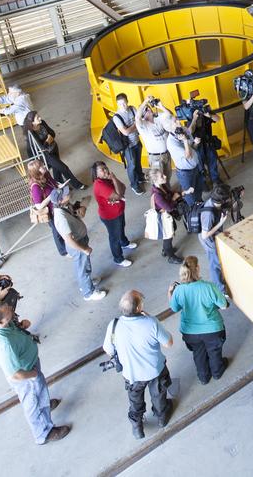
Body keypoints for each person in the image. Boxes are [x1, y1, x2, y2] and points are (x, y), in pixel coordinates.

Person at [0, 301, 71, 445]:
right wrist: (34, 375)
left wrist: (20, 326)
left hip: (28, 364)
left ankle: (44, 405)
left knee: (38, 395)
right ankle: (43, 433)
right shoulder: (4, 345)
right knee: (33, 401)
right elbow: (15, 374)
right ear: (0, 322)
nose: (11, 309)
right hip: (26, 374)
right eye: (8, 312)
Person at [103, 290, 174, 439]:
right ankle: (161, 418)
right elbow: (169, 343)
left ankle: (137, 427)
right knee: (159, 395)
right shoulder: (151, 323)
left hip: (132, 375)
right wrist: (152, 319)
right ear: (138, 309)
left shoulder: (114, 325)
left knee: (135, 401)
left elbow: (108, 350)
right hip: (155, 371)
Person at [167, 256, 229, 385]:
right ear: (198, 268)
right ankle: (217, 372)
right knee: (214, 352)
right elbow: (223, 305)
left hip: (190, 332)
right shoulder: (209, 287)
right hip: (212, 330)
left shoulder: (178, 290)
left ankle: (204, 377)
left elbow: (174, 308)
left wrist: (170, 293)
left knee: (198, 353)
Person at [52, 186, 107, 302]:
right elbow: (69, 240)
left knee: (83, 266)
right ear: (60, 200)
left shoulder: (64, 206)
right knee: (82, 268)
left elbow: (87, 198)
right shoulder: (60, 217)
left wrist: (80, 209)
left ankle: (87, 283)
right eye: (65, 194)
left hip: (81, 240)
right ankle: (89, 293)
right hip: (77, 245)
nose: (69, 194)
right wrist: (83, 249)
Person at [23, 110, 85, 191]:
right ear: (32, 122)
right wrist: (48, 140)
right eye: (37, 118)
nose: (40, 118)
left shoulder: (42, 123)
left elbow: (52, 133)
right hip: (47, 155)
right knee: (63, 168)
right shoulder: (31, 133)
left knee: (57, 170)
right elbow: (42, 147)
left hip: (54, 148)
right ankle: (77, 185)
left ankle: (60, 186)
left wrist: (48, 140)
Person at [92, 161, 136, 268]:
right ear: (96, 174)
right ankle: (118, 258)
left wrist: (114, 179)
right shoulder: (100, 185)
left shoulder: (108, 179)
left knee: (121, 228)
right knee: (114, 237)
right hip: (110, 216)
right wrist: (114, 180)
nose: (105, 170)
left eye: (105, 167)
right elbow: (118, 196)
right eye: (102, 170)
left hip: (118, 211)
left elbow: (123, 188)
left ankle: (124, 242)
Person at [178, 93, 222, 191]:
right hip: (197, 145)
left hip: (208, 142)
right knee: (200, 164)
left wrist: (209, 114)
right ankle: (204, 181)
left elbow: (218, 119)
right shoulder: (190, 118)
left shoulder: (205, 111)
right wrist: (194, 119)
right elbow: (190, 131)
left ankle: (215, 180)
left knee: (212, 161)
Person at [27, 160, 69, 258]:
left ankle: (69, 241)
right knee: (56, 230)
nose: (44, 167)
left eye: (42, 165)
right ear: (36, 172)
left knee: (62, 225)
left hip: (57, 205)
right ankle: (63, 251)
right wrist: (51, 195)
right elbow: (39, 206)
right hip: (50, 211)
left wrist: (60, 186)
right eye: (41, 167)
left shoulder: (46, 174)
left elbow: (53, 183)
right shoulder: (35, 186)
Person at [149, 168, 185, 265]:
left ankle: (166, 250)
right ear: (155, 180)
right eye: (162, 176)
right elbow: (169, 207)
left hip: (167, 216)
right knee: (168, 235)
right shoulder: (157, 195)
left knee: (171, 231)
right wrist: (174, 198)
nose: (165, 176)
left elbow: (170, 193)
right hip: (164, 219)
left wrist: (180, 193)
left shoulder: (162, 186)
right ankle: (171, 256)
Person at [112, 93, 145, 195]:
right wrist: (135, 124)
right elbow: (125, 132)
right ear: (117, 104)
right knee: (132, 165)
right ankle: (134, 185)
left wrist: (132, 126)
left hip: (136, 141)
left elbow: (139, 120)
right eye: (120, 104)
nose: (123, 106)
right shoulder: (117, 117)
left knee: (138, 162)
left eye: (124, 103)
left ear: (127, 101)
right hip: (127, 146)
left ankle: (140, 178)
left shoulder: (132, 109)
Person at [197, 188, 229, 293]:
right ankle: (221, 289)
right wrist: (221, 223)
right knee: (215, 264)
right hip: (208, 240)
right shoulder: (209, 214)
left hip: (214, 235)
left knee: (216, 261)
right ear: (222, 201)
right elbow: (204, 235)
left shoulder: (213, 201)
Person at [136, 97, 172, 181]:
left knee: (167, 177)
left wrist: (161, 106)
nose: (148, 109)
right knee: (158, 180)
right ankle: (161, 194)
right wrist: (145, 102)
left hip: (166, 154)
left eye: (148, 107)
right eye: (146, 109)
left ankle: (168, 192)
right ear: (143, 115)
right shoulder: (143, 126)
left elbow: (170, 115)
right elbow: (137, 118)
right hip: (155, 158)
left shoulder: (158, 118)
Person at [164, 128, 202, 208]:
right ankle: (193, 212)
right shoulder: (172, 143)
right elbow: (188, 156)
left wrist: (195, 143)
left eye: (177, 120)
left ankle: (200, 205)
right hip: (185, 173)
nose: (178, 122)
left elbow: (193, 148)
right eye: (175, 121)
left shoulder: (184, 131)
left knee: (198, 189)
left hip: (195, 168)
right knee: (189, 195)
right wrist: (185, 140)